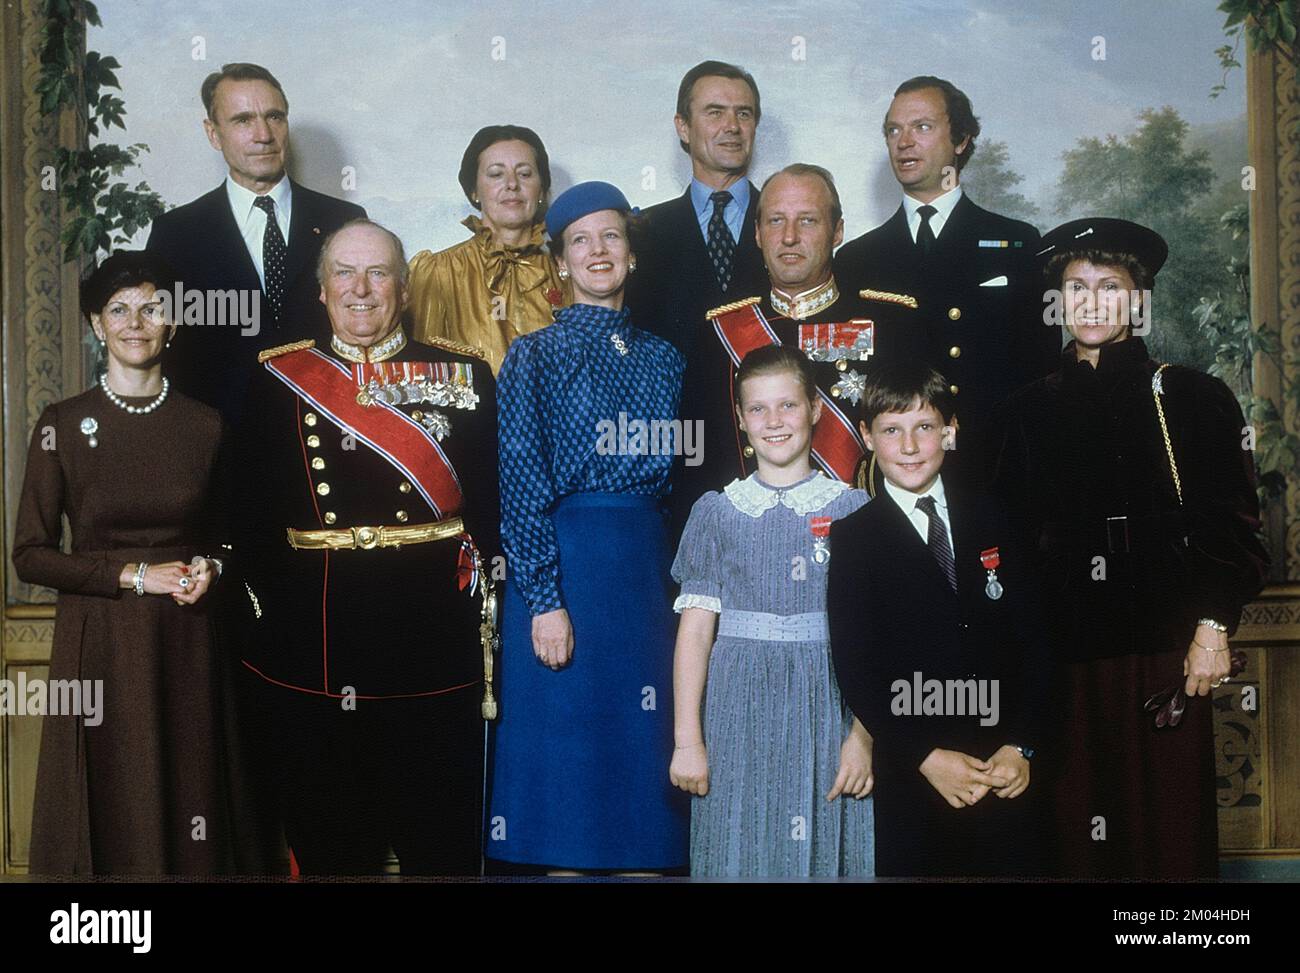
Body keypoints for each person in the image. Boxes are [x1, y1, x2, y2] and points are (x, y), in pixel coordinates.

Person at [989, 218, 1269, 878]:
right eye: (1075, 287)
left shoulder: (1193, 398)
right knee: (1074, 842)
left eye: (1108, 286)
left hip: (1164, 655)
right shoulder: (1019, 413)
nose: (1089, 301)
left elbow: (1235, 530)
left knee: (1167, 839)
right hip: (1058, 665)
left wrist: (1211, 627)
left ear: (1137, 299)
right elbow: (1000, 547)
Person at [234, 219, 499, 876]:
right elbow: (246, 507)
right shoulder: (279, 378)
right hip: (318, 636)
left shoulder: (463, 374)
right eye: (344, 274)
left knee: (440, 833)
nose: (361, 289)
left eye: (377, 272)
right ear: (322, 291)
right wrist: (272, 614)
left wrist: (484, 600)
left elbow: (492, 504)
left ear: (403, 289)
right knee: (331, 836)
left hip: (431, 632)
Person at [13, 251, 252, 875]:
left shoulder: (207, 425)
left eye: (152, 306)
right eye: (118, 309)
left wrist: (213, 570)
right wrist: (134, 575)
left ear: (172, 321)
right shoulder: (61, 424)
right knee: (112, 789)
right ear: (98, 325)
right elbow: (30, 556)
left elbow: (233, 540)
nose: (136, 322)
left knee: (189, 789)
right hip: (100, 640)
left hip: (187, 638)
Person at [488, 182, 688, 872]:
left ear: (631, 255)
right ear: (561, 262)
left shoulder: (667, 358)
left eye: (611, 236)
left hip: (644, 580)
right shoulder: (532, 357)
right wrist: (544, 599)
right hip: (566, 571)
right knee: (568, 805)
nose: (597, 251)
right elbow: (519, 483)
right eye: (580, 240)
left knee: (643, 798)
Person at [827, 360, 1052, 877]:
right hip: (916, 768)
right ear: (867, 435)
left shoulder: (995, 516)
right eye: (891, 430)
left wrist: (1022, 744)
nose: (909, 447)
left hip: (1002, 759)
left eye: (924, 428)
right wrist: (925, 756)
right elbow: (858, 669)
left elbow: (1038, 642)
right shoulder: (855, 539)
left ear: (950, 431)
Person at [669, 344, 874, 877]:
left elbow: (877, 639)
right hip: (736, 706)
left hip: (828, 705)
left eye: (788, 406)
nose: (774, 421)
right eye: (758, 409)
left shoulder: (853, 509)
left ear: (816, 410)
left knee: (824, 842)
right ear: (739, 419)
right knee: (739, 844)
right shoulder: (716, 511)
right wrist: (687, 740)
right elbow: (695, 633)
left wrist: (864, 736)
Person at [833, 75, 1055, 476]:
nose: (904, 142)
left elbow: (1041, 376)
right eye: (893, 130)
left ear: (961, 139)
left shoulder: (1017, 244)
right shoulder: (856, 260)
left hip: (993, 467)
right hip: (896, 473)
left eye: (922, 127)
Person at [146, 62, 366, 423]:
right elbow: (164, 352)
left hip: (330, 436)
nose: (263, 134)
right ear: (213, 134)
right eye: (243, 120)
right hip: (221, 448)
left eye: (275, 117)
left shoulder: (342, 221)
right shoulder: (176, 234)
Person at [698, 163, 920, 502]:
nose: (789, 237)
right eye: (775, 220)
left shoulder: (891, 325)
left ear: (837, 232)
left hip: (864, 532)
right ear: (757, 233)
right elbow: (699, 461)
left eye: (807, 220)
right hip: (751, 534)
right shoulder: (717, 335)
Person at [626, 60, 769, 532]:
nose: (732, 126)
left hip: (777, 464)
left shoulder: (789, 224)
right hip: (678, 476)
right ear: (683, 128)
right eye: (715, 112)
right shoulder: (640, 234)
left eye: (744, 114)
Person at [407, 125, 569, 376]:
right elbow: (422, 373)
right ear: (474, 190)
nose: (512, 185)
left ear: (542, 191)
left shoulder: (568, 270)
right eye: (496, 174)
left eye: (525, 174)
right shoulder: (437, 273)